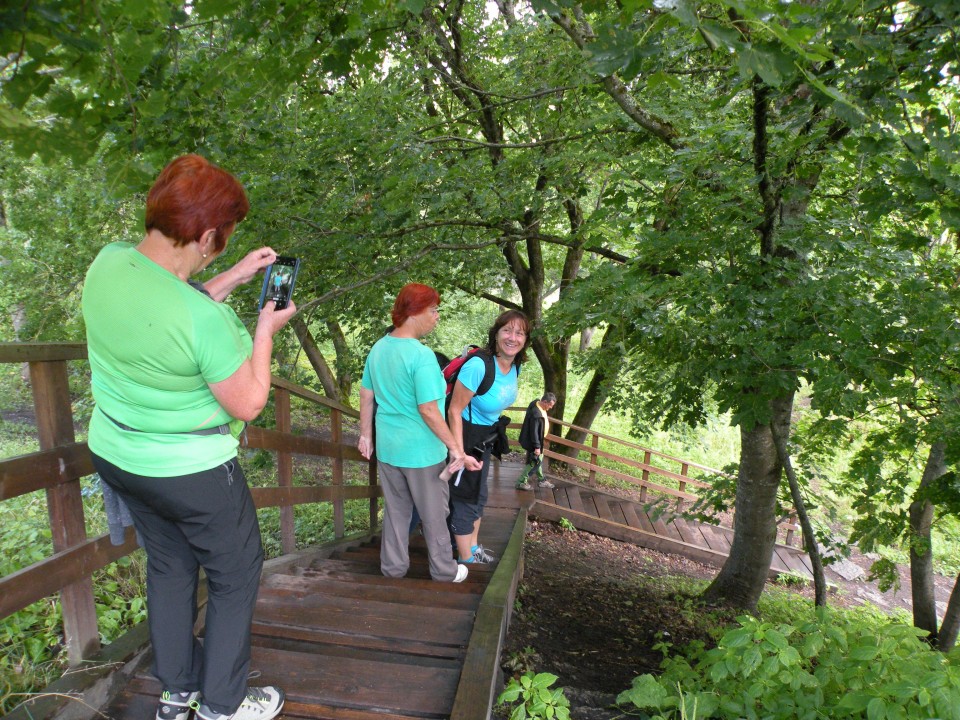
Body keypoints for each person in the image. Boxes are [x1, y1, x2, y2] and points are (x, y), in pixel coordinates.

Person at [82, 154, 294, 720]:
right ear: (206, 236)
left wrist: (236, 275)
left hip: (119, 455)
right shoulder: (206, 323)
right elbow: (248, 400)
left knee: (170, 567)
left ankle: (176, 694)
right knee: (235, 573)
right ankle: (223, 705)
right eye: (225, 238)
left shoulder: (108, 264)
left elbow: (168, 301)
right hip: (191, 471)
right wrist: (265, 329)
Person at [358, 283, 480, 583]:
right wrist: (455, 448)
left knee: (397, 512)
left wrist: (366, 435)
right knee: (434, 514)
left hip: (389, 448)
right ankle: (444, 571)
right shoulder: (421, 356)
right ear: (414, 313)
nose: (436, 316)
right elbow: (428, 410)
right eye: (433, 310)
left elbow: (365, 393)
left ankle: (393, 568)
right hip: (421, 452)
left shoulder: (379, 347)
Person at [447, 309, 531, 565]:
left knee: (479, 496)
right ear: (496, 334)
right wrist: (458, 452)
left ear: (525, 339)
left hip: (485, 438)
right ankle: (464, 559)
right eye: (507, 330)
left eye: (520, 333)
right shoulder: (478, 365)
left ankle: (472, 549)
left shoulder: (514, 365)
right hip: (465, 436)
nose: (513, 337)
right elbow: (454, 410)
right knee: (464, 497)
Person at [517, 392, 558, 491]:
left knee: (538, 460)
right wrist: (537, 447)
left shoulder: (536, 403)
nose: (550, 408)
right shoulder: (536, 414)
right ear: (544, 402)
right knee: (534, 461)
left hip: (538, 440)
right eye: (550, 405)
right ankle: (521, 482)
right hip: (534, 441)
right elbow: (534, 432)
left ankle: (541, 480)